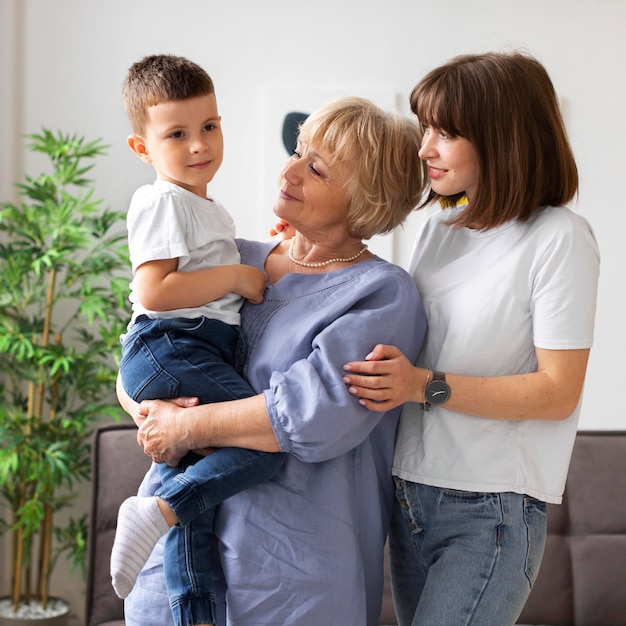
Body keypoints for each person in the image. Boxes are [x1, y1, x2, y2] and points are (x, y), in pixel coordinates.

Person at [119, 95, 428, 626]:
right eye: (298, 150)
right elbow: (140, 344)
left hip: (291, 586)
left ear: (365, 199)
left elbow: (310, 416)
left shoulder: (381, 294)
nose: (289, 170)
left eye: (317, 167)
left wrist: (184, 424)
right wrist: (146, 412)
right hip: (167, 574)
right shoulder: (233, 257)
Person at [342, 51, 600, 626]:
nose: (424, 148)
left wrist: (421, 386)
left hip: (490, 508)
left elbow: (558, 391)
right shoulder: (439, 228)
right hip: (409, 492)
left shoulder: (560, 239)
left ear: (501, 138)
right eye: (425, 128)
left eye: (444, 133)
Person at [111, 54, 286, 626]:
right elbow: (156, 291)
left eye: (209, 126)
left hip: (183, 347)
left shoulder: (198, 205)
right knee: (266, 441)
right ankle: (159, 509)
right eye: (177, 134)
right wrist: (237, 274)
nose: (198, 145)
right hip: (173, 342)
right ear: (143, 148)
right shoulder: (161, 200)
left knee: (194, 485)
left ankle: (194, 612)